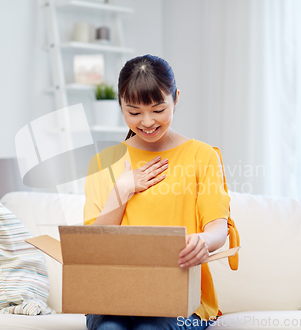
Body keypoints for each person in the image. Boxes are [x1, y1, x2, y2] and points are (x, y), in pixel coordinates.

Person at [83, 54, 231, 330]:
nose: (147, 122)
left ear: (176, 98)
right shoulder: (103, 162)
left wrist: (203, 240)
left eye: (158, 109)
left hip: (182, 298)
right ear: (121, 106)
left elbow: (217, 230)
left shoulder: (203, 156)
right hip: (114, 296)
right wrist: (122, 189)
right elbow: (93, 246)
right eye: (135, 112)